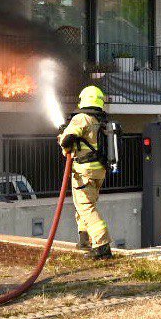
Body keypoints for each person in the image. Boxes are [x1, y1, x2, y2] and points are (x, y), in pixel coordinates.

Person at [58, 85, 112, 260]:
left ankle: (102, 245)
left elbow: (67, 140)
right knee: (84, 205)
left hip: (84, 171)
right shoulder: (99, 120)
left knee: (86, 207)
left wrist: (62, 136)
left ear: (83, 100)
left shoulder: (81, 118)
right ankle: (84, 241)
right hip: (98, 172)